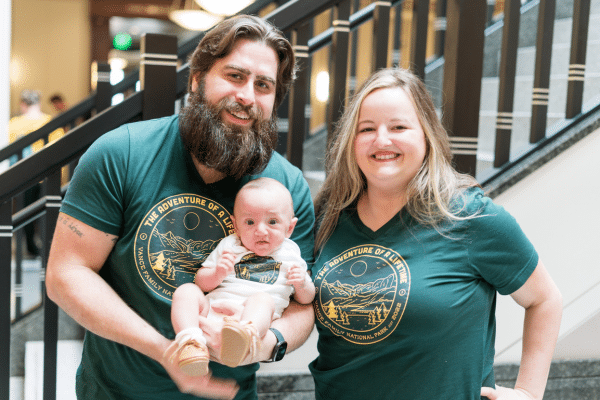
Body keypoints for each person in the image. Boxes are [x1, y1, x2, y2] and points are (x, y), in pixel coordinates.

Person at [46, 15, 315, 400]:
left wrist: (264, 344)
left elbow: (302, 306)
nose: (247, 96)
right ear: (196, 78)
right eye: (235, 76)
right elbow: (65, 274)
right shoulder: (120, 154)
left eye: (263, 85)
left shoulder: (286, 189)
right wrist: (165, 350)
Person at [309, 68, 562, 400]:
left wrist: (528, 392)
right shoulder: (328, 216)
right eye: (366, 129)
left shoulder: (470, 216)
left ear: (426, 135)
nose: (382, 140)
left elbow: (544, 299)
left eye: (398, 127)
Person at [171, 177, 315, 376]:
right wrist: (217, 273)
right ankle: (191, 342)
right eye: (249, 222)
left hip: (254, 320)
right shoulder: (230, 245)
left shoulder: (291, 254)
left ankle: (244, 338)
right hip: (212, 311)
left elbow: (307, 299)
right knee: (186, 291)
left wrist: (302, 284)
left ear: (289, 228)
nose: (261, 230)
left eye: (272, 222)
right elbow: (201, 282)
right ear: (236, 226)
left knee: (262, 299)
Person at [9, 90, 64, 257]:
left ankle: (30, 245)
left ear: (23, 105)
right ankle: (48, 246)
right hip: (46, 174)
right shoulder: (50, 122)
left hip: (24, 175)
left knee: (25, 212)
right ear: (39, 103)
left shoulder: (14, 124)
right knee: (49, 210)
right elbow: (59, 148)